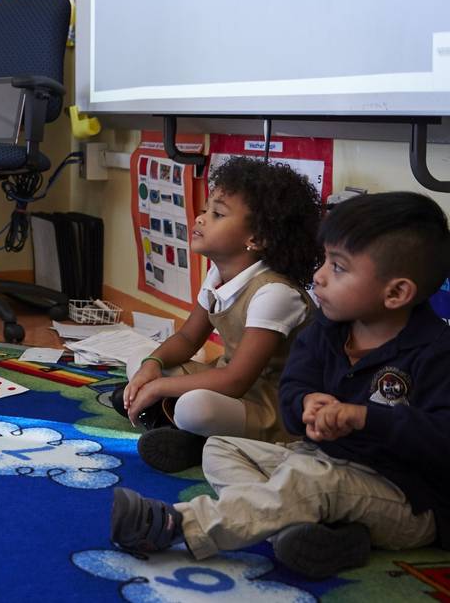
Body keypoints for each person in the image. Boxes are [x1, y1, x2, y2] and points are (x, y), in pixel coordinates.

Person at [110, 191, 450, 578]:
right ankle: (309, 534)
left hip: (407, 498)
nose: (319, 275)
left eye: (338, 268)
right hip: (321, 462)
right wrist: (304, 402)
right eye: (324, 259)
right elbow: (292, 392)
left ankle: (176, 526)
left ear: (396, 293)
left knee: (312, 484)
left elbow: (442, 438)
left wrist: (365, 418)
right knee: (220, 448)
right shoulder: (327, 331)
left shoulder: (436, 352)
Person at [113, 158, 322, 471]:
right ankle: (178, 427)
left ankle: (188, 435)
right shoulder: (217, 274)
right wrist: (151, 366)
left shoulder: (275, 293)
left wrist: (157, 387)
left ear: (257, 239)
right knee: (137, 362)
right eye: (206, 209)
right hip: (230, 383)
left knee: (195, 408)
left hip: (274, 404)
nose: (201, 218)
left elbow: (236, 380)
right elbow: (186, 338)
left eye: (217, 214)